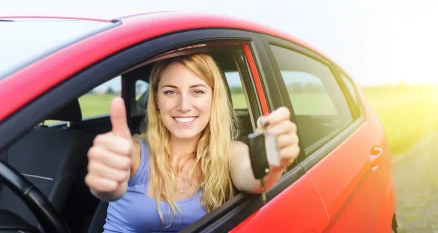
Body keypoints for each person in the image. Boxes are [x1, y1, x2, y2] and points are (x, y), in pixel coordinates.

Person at [85, 53, 300, 232]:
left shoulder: (231, 152)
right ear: (157, 100)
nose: (184, 105)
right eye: (170, 92)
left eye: (197, 91)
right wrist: (106, 184)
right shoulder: (134, 152)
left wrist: (272, 160)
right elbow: (112, 186)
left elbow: (254, 178)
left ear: (214, 99)